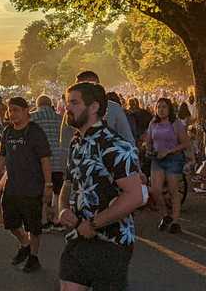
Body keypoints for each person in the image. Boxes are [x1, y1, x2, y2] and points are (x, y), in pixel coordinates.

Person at [58, 82, 143, 290]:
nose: (67, 108)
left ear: (94, 107)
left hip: (111, 243)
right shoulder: (77, 142)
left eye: (74, 103)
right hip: (77, 238)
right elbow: (69, 182)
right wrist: (62, 207)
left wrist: (94, 224)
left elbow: (135, 196)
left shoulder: (114, 145)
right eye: (67, 102)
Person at [0, 97, 52, 273]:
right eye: (10, 110)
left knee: (33, 225)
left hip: (32, 186)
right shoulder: (9, 131)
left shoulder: (35, 132)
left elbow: (45, 159)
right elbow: (3, 156)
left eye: (16, 110)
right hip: (12, 185)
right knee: (9, 221)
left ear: (26, 111)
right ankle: (25, 243)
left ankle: (34, 257)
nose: (12, 114)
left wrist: (48, 185)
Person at [146, 98, 191, 233]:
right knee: (156, 190)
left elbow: (185, 143)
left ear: (169, 109)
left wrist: (169, 151)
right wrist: (148, 149)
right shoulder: (153, 123)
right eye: (158, 107)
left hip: (173, 159)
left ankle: (175, 221)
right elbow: (148, 141)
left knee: (173, 191)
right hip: (157, 159)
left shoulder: (176, 124)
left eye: (164, 107)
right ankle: (165, 215)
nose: (161, 110)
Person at [29, 95, 65, 231]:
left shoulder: (32, 118)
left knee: (41, 191)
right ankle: (57, 219)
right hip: (59, 159)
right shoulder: (60, 119)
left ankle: (43, 220)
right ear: (50, 105)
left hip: (40, 160)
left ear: (38, 105)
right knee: (57, 191)